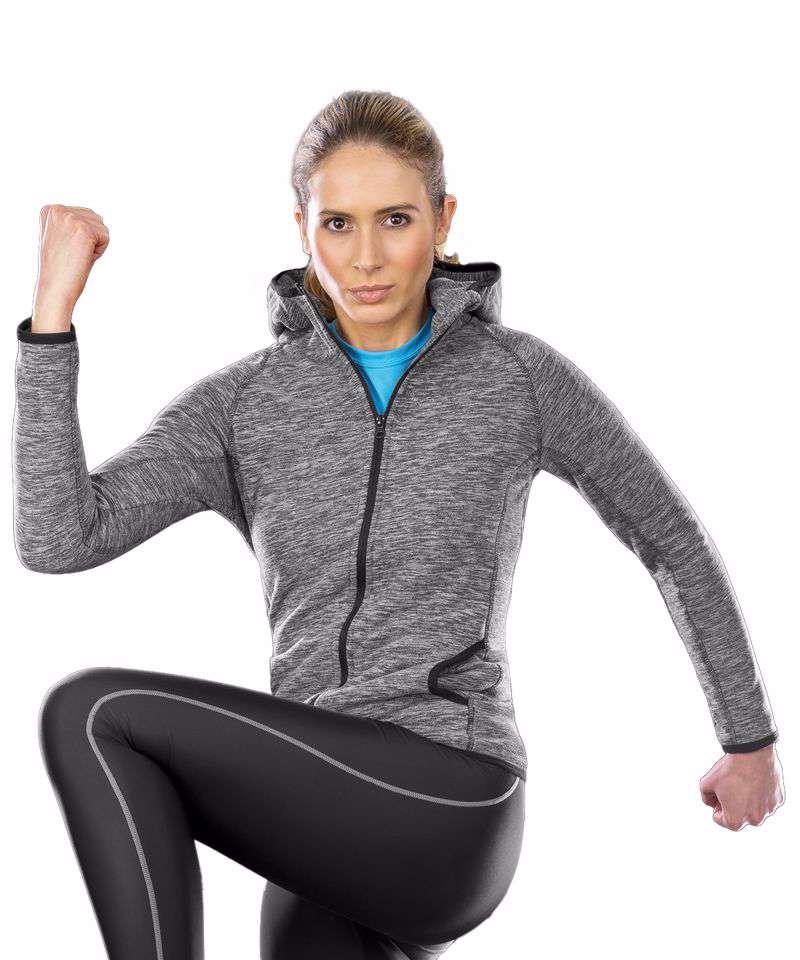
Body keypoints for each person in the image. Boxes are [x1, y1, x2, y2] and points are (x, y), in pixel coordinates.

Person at [13, 89, 784, 960]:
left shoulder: (517, 378)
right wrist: (52, 318)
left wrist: (748, 739)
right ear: (302, 230)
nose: (367, 257)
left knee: (95, 713)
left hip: (450, 795)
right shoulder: (245, 406)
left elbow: (672, 539)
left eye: (396, 220)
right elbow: (60, 537)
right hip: (320, 812)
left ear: (443, 220)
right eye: (338, 224)